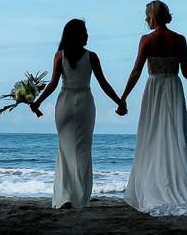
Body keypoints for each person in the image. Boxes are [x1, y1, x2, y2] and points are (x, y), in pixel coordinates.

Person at [118, 0, 187, 216]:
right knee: (175, 136)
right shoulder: (179, 39)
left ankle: (154, 188)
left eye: (146, 14)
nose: (145, 18)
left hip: (154, 88)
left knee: (152, 136)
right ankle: (176, 186)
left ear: (152, 16)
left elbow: (135, 72)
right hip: (173, 88)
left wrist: (123, 98)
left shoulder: (146, 40)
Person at [30, 18, 126, 209]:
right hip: (84, 104)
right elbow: (104, 84)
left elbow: (53, 84)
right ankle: (79, 197)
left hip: (64, 103)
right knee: (82, 150)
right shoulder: (92, 56)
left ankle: (65, 196)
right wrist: (120, 102)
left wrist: (37, 102)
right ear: (77, 35)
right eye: (85, 32)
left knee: (65, 149)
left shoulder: (60, 55)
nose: (88, 35)